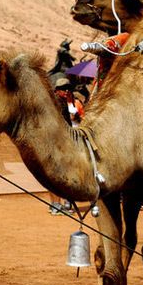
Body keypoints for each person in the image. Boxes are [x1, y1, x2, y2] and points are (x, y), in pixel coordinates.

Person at [48, 78, 84, 216]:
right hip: (56, 143)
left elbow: (75, 120)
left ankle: (58, 204)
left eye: (68, 88)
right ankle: (56, 205)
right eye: (63, 88)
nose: (66, 91)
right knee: (55, 174)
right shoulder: (55, 104)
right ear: (57, 91)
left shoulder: (65, 103)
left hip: (64, 142)